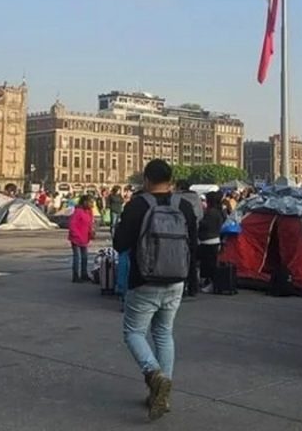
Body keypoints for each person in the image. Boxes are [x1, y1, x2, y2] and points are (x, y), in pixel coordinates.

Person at [113, 159, 198, 420]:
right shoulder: (184, 206)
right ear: (171, 180)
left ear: (147, 180)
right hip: (176, 280)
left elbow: (120, 244)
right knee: (164, 333)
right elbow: (192, 245)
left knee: (134, 332)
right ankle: (163, 394)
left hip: (144, 280)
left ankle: (154, 374)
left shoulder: (138, 204)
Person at [175, 179, 204, 297]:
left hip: (179, 233)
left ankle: (181, 287)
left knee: (180, 261)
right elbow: (200, 215)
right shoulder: (196, 198)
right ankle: (193, 287)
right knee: (192, 261)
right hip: (194, 232)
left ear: (179, 187)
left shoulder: (177, 199)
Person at [198, 191, 225, 292]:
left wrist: (199, 222)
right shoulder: (219, 211)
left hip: (207, 240)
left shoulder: (210, 212)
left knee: (207, 265)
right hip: (215, 239)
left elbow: (204, 225)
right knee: (211, 263)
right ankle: (210, 283)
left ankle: (210, 284)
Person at [68, 195, 95, 283]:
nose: (92, 205)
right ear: (85, 202)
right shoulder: (78, 211)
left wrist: (91, 232)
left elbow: (90, 223)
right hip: (76, 237)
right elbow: (72, 224)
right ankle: (75, 276)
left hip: (84, 237)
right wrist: (75, 234)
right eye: (90, 202)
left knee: (85, 257)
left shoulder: (89, 211)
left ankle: (84, 274)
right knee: (77, 257)